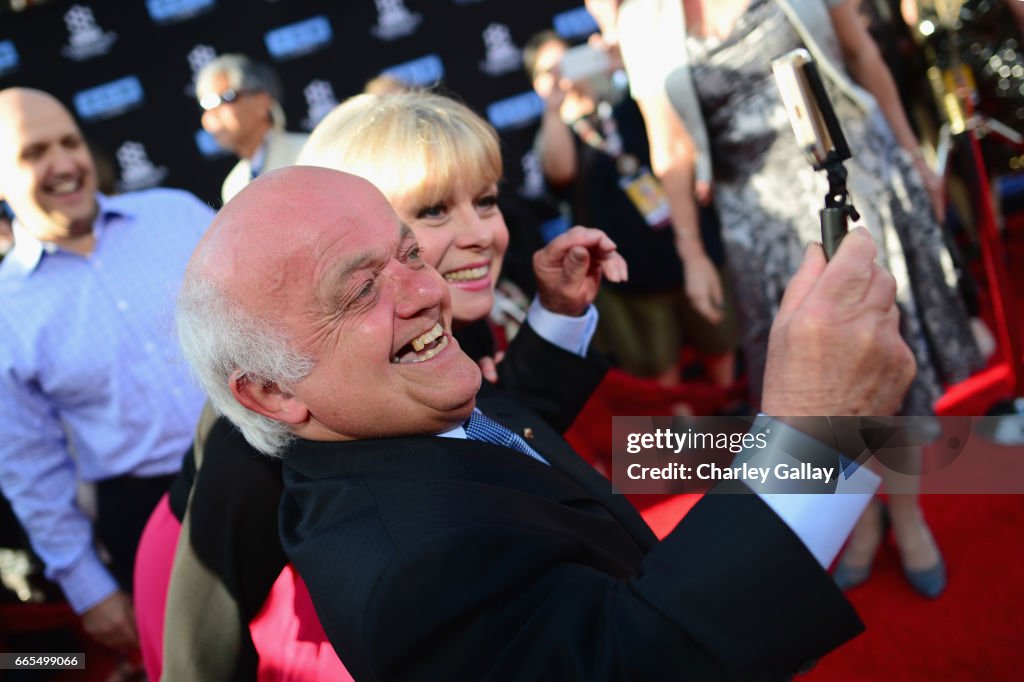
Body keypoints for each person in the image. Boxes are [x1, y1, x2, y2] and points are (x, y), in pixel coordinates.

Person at [175, 163, 917, 681]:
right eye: (362, 289)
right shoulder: (406, 573)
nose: (427, 289)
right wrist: (820, 434)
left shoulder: (386, 410)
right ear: (271, 394)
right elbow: (635, 664)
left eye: (408, 253)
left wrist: (558, 322)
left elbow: (506, 428)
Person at [142, 91, 625, 680]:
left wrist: (559, 315)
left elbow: (508, 429)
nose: (477, 233)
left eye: (487, 200)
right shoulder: (280, 409)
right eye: (432, 213)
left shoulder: (438, 314)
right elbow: (203, 630)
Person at [601, 0, 982, 597]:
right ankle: (858, 518)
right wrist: (692, 251)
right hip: (759, 229)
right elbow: (669, 146)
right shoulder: (642, 19)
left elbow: (861, 54)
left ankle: (906, 514)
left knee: (878, 358)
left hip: (857, 190)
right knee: (809, 394)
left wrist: (912, 152)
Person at [0, 88, 212, 656]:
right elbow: (28, 465)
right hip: (147, 514)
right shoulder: (5, 312)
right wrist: (89, 587)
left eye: (70, 142)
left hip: (275, 464)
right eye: (33, 152)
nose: (65, 163)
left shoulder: (178, 214)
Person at [524, 30, 739, 390]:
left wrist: (627, 64)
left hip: (687, 252)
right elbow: (560, 172)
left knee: (720, 345)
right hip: (631, 279)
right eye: (551, 70)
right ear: (536, 84)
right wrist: (553, 107)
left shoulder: (627, 104)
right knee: (659, 375)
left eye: (569, 60)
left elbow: (672, 126)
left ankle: (734, 426)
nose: (565, 74)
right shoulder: (554, 133)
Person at [196, 54, 308, 204]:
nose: (211, 115)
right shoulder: (233, 185)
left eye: (225, 98)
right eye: (206, 105)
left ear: (262, 101)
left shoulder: (307, 151)